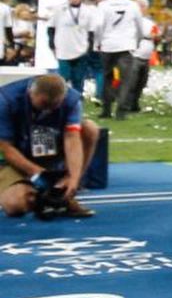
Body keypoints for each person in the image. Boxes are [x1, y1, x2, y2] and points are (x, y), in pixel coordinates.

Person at [0, 74, 98, 219]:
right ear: (31, 93)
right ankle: (43, 196)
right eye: (44, 104)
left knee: (89, 129)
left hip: (49, 150)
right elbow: (6, 148)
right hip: (15, 157)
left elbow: (72, 138)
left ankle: (65, 191)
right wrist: (40, 174)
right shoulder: (5, 100)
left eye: (55, 105)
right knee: (15, 205)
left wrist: (74, 177)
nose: (49, 110)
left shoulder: (72, 100)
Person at [92, 0, 140, 120]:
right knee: (126, 79)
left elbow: (98, 26)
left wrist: (97, 43)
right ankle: (121, 111)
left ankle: (106, 110)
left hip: (108, 45)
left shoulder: (103, 5)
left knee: (108, 78)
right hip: (126, 46)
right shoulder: (132, 5)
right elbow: (139, 26)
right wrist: (136, 42)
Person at [48, 0, 96, 94]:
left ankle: (77, 100)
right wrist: (51, 45)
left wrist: (89, 49)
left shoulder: (88, 11)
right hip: (63, 49)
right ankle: (61, 99)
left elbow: (91, 32)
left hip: (81, 50)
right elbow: (51, 28)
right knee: (63, 77)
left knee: (78, 79)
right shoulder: (59, 9)